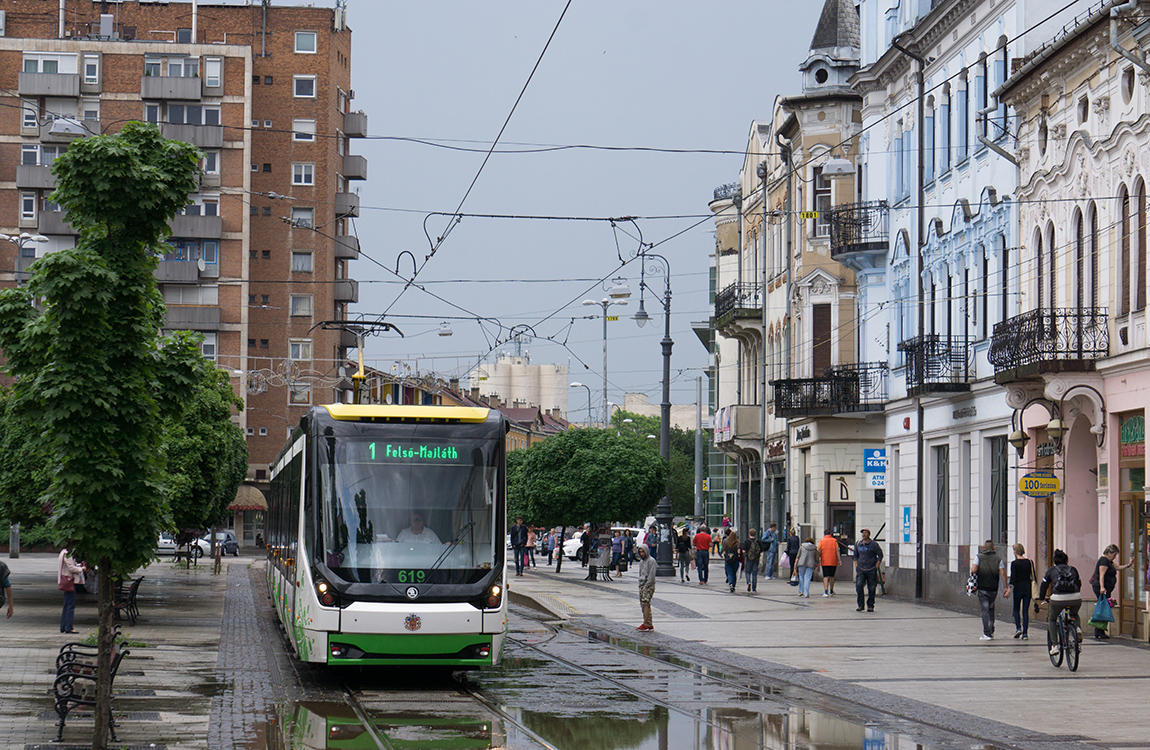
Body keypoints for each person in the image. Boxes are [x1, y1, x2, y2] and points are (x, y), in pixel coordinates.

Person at [1037, 548, 1082, 656]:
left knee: (1052, 619)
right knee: (1074, 613)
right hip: (1075, 597)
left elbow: (1044, 586)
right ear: (1066, 560)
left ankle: (1055, 646)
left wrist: (1042, 598)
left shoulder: (1051, 570)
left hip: (1058, 599)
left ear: (1055, 561)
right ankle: (1077, 628)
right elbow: (1079, 584)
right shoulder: (1073, 569)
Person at [1091, 543, 1133, 639]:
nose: (1114, 557)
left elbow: (1117, 567)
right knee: (1103, 608)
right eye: (1114, 555)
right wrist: (1102, 588)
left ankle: (1099, 631)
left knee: (1103, 608)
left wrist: (1128, 565)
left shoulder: (1108, 561)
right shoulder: (1104, 561)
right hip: (1102, 588)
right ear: (1109, 552)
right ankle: (1099, 630)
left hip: (1105, 588)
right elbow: (1101, 575)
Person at [971, 540, 1010, 640]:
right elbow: (1002, 573)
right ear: (993, 548)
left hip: (983, 587)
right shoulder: (998, 559)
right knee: (991, 608)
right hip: (993, 588)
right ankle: (991, 630)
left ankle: (987, 633)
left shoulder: (979, 557)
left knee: (985, 609)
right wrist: (1005, 587)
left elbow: (973, 570)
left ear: (984, 548)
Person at [1009, 543, 1037, 639]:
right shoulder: (1029, 562)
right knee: (1025, 611)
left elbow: (1013, 578)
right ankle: (1025, 633)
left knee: (1016, 609)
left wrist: (1009, 589)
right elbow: (1033, 576)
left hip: (1017, 589)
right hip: (1027, 588)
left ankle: (1018, 628)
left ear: (1015, 551)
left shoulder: (1014, 563)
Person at [853, 528, 883, 612]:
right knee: (859, 586)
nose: (864, 534)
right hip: (861, 569)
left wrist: (876, 566)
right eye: (863, 533)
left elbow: (880, 555)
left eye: (865, 533)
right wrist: (856, 565)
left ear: (869, 534)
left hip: (871, 569)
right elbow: (855, 555)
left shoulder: (874, 545)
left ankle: (870, 605)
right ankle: (860, 605)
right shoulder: (858, 544)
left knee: (872, 588)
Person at [58, 545, 85, 634]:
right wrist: (81, 569)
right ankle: (68, 627)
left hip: (66, 581)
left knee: (66, 604)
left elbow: (69, 566)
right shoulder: (67, 554)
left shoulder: (62, 553)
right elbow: (71, 568)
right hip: (70, 581)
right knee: (70, 604)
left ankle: (63, 626)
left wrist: (78, 565)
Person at [635, 545, 656, 631]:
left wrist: (647, 584)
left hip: (648, 585)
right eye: (640, 552)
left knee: (645, 603)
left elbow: (651, 574)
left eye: (643, 552)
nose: (642, 554)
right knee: (643, 604)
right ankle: (649, 623)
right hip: (642, 584)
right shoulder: (641, 562)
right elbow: (641, 573)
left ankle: (645, 623)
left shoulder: (651, 561)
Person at [818, 530, 840, 596]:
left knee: (825, 576)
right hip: (833, 560)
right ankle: (831, 590)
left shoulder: (821, 541)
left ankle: (825, 591)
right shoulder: (834, 541)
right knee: (832, 576)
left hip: (824, 561)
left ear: (824, 534)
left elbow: (819, 550)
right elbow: (837, 550)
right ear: (830, 534)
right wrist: (839, 559)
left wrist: (818, 557)